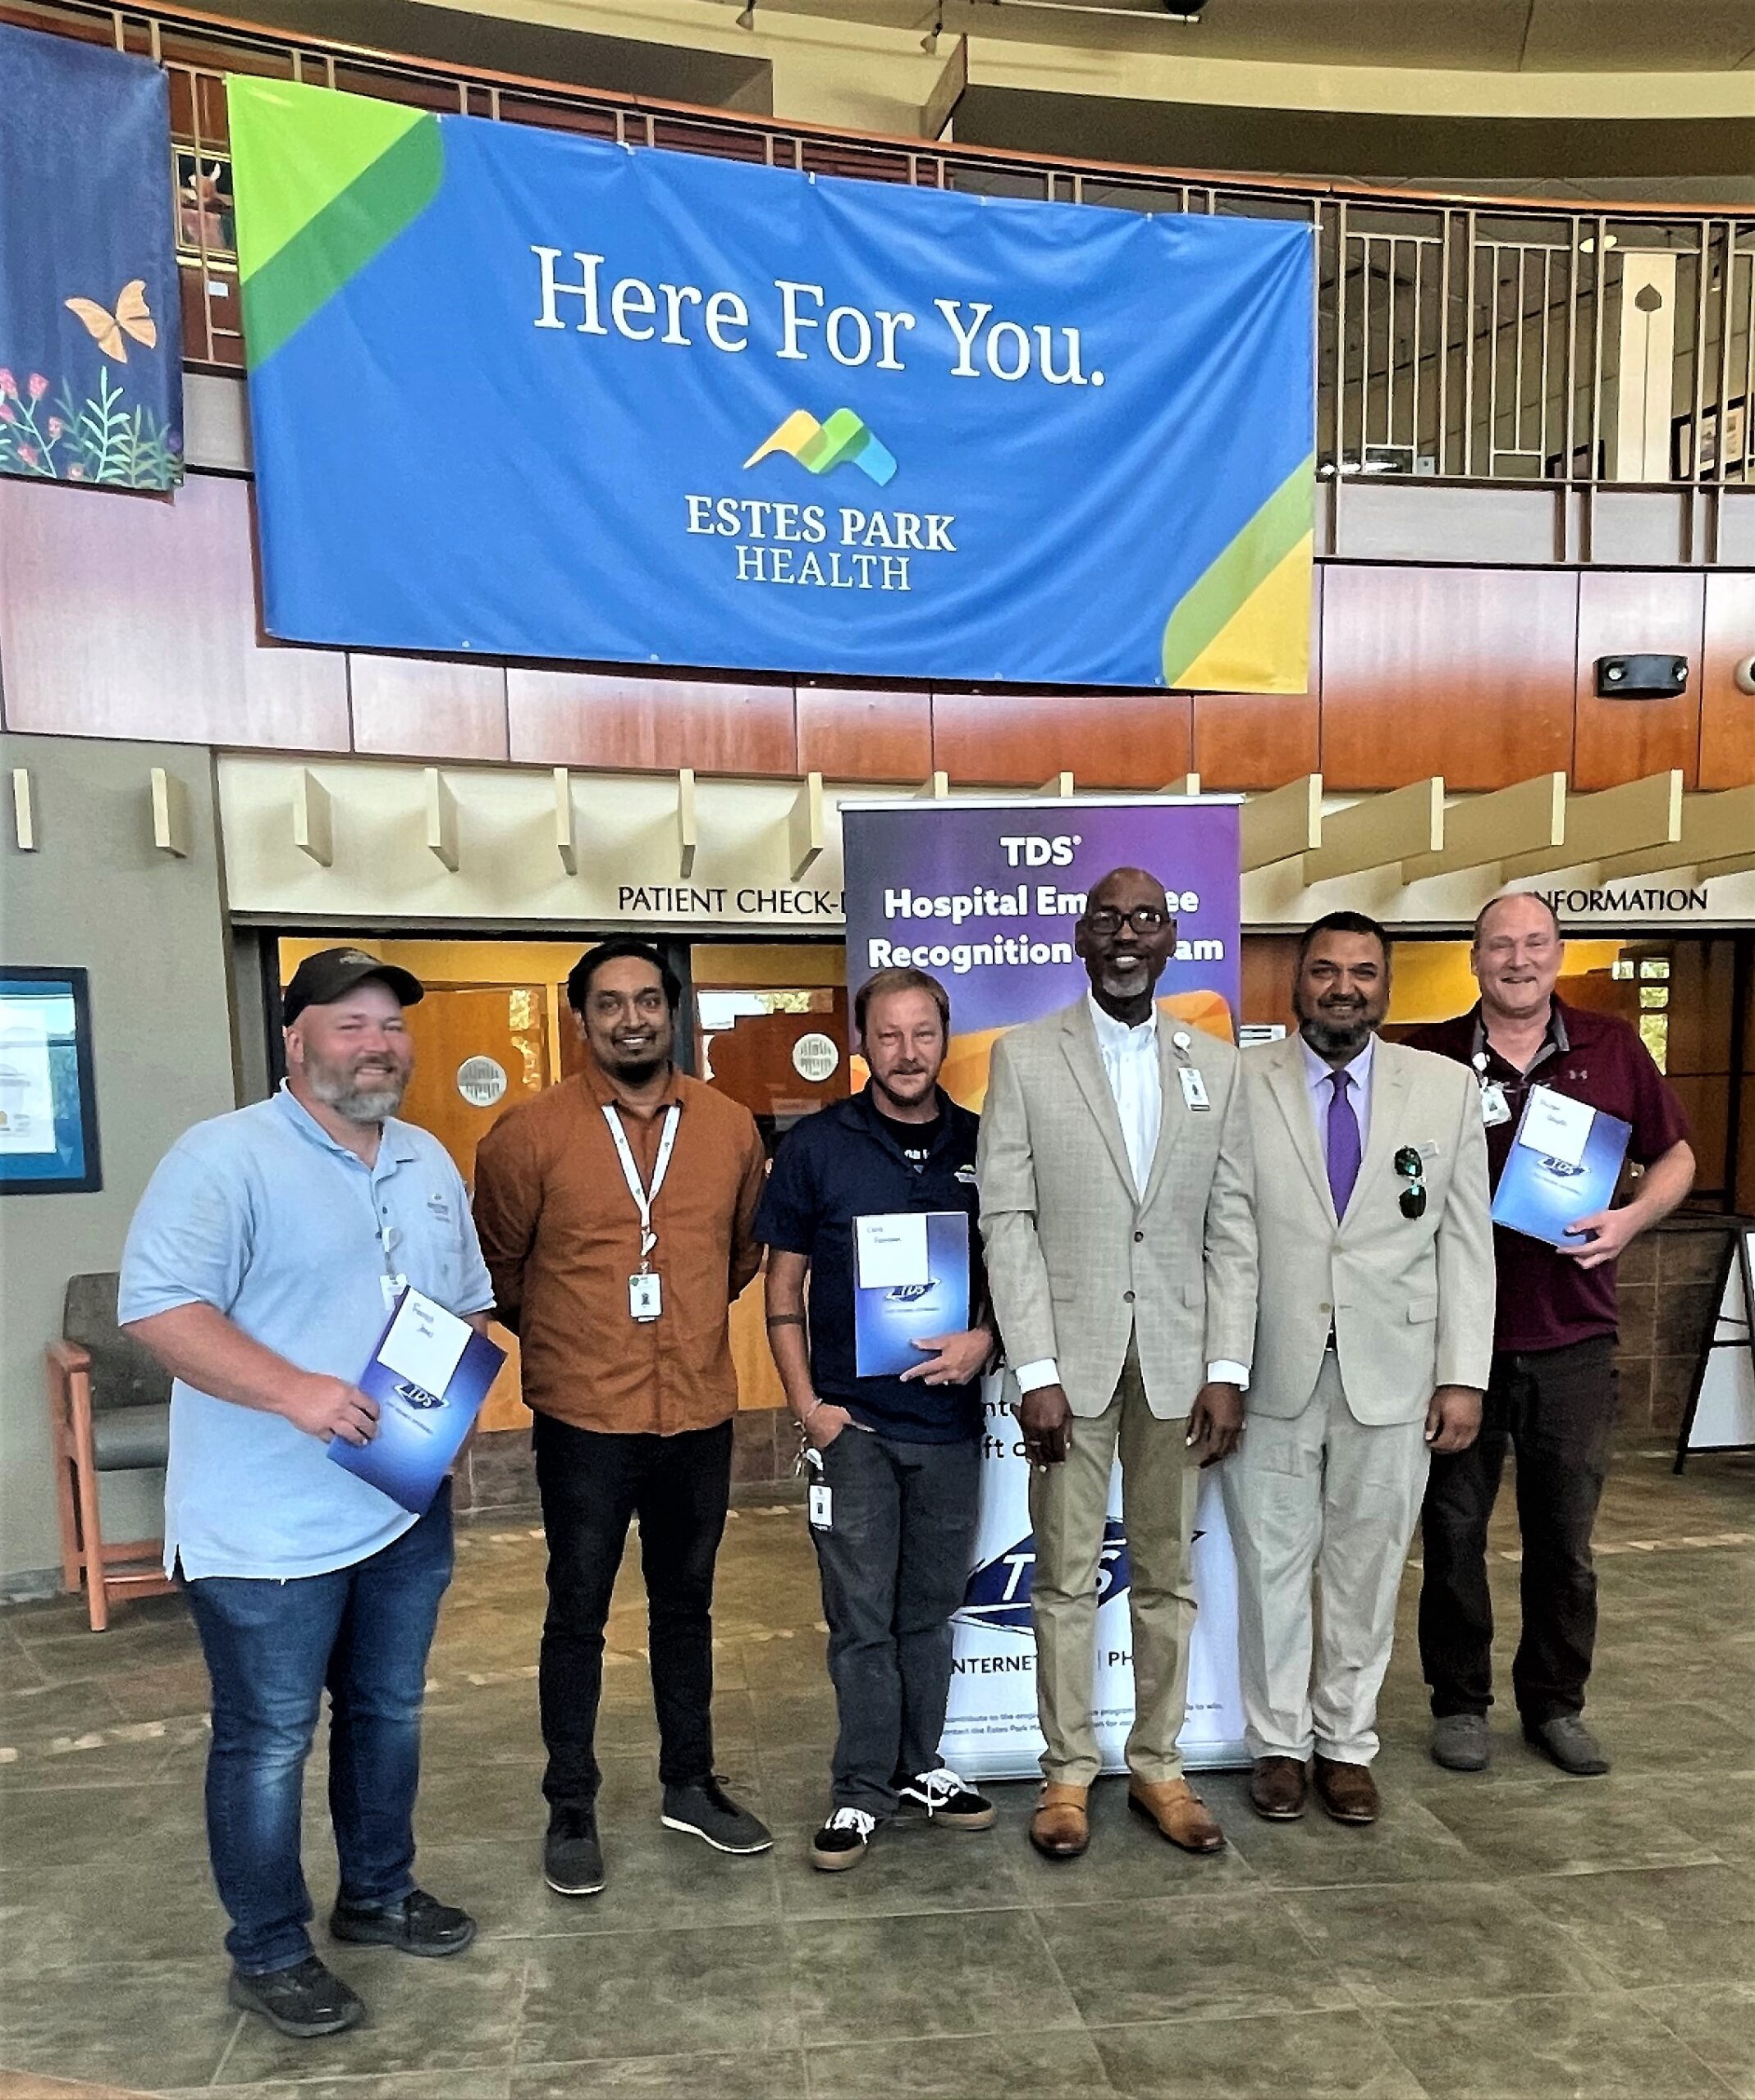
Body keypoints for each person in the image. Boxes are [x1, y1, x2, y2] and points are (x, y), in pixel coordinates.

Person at [118, 948, 491, 2041]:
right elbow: (160, 1310)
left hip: (397, 1503)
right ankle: (270, 1949)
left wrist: (436, 1421)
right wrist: (296, 1391)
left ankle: (375, 1893)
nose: (378, 1045)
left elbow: (458, 1305)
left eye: (391, 1027)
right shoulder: (222, 1157)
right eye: (350, 1025)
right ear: (296, 1040)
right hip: (265, 1526)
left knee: (387, 1713)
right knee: (268, 1740)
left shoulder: (424, 1158)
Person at [472, 937, 771, 1897]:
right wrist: (578, 1335)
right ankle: (571, 1801)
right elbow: (503, 1271)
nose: (632, 1018)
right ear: (581, 1018)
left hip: (695, 1410)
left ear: (673, 1011)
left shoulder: (730, 1129)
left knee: (688, 1606)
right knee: (578, 1612)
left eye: (648, 1000)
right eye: (610, 1004)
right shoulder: (527, 1136)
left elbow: (737, 1257)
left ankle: (690, 1782)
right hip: (585, 1418)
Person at [976, 866, 1257, 1861]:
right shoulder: (1023, 1057)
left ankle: (1160, 1764)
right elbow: (1006, 1221)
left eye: (1146, 917)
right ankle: (1064, 1772)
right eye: (1108, 919)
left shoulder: (1217, 1068)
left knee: (1167, 1575)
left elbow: (1233, 1227)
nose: (1127, 934)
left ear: (1172, 936)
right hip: (1072, 1367)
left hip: (1181, 1365)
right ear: (1081, 939)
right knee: (1060, 1573)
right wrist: (1036, 1366)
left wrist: (1227, 1365)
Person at [1409, 892, 1695, 1777]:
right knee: (1453, 1535)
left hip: (1573, 1337)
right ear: (1476, 958)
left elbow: (1677, 1152)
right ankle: (1459, 1702)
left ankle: (1554, 1704)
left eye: (1535, 943)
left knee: (1563, 1540)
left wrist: (1631, 1219)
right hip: (1458, 1344)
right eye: (1501, 944)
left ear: (1558, 952)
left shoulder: (1612, 1046)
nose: (1519, 959)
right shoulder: (1428, 1058)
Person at [1224, 911, 1493, 1827]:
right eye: (1327, 971)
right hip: (1270, 1369)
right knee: (1270, 1567)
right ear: (1297, 983)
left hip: (1396, 1369)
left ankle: (1345, 1743)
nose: (1345, 988)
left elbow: (1466, 1244)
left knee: (1368, 1566)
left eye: (1364, 973)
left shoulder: (1446, 1090)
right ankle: (1277, 1746)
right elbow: (1219, 1235)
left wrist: (1464, 1374)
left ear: (1387, 985)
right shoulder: (1237, 1082)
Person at [757, 966, 997, 1871]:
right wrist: (807, 1407)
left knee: (927, 1615)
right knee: (860, 1620)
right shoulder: (819, 1146)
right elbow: (781, 1288)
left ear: (943, 1037)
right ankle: (859, 1790)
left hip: (949, 1427)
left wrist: (986, 1339)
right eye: (888, 1035)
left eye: (922, 1033)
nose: (906, 1052)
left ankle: (919, 1766)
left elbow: (1018, 1273)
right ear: (863, 1043)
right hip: (852, 1428)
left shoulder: (984, 1144)